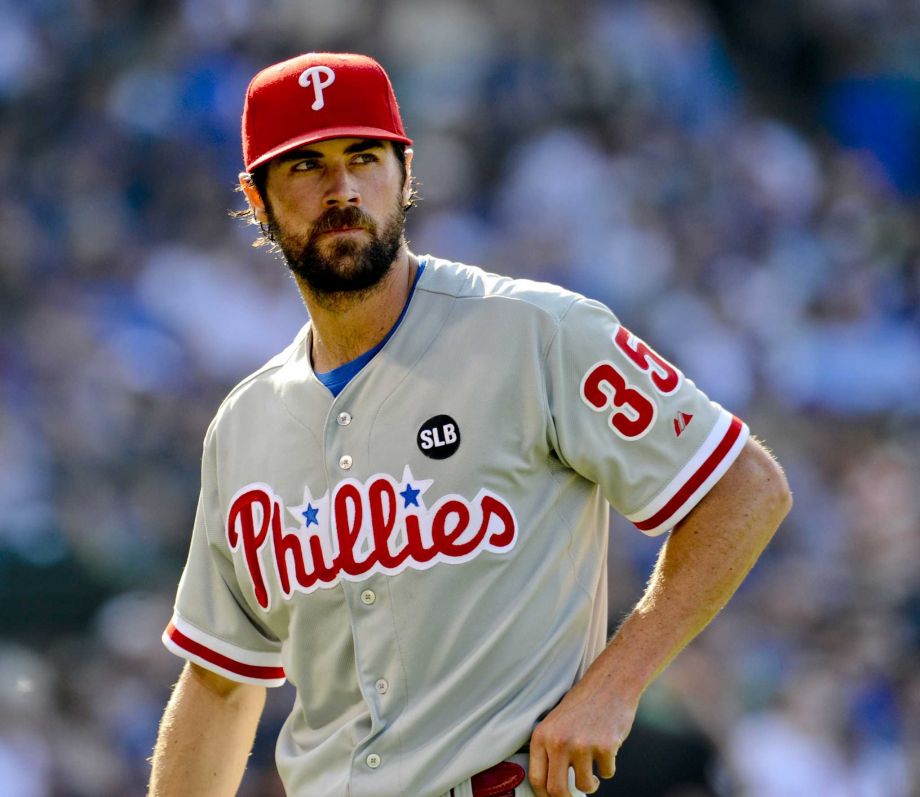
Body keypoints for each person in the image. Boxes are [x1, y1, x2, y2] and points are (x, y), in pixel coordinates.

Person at [147, 52, 792, 797]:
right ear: (256, 200)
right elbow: (220, 682)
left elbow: (746, 486)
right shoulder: (243, 426)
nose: (343, 188)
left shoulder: (535, 332)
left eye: (365, 156)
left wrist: (616, 684)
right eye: (305, 166)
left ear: (405, 173)